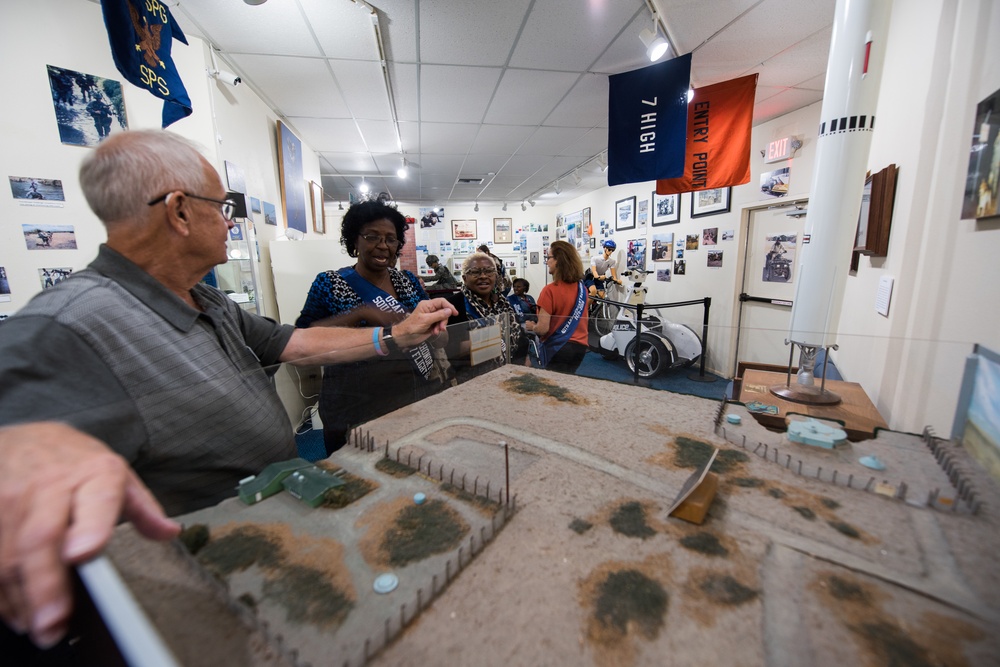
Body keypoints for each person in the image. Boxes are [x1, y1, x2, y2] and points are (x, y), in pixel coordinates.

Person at [0, 130, 456, 647]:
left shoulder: (206, 300)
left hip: (260, 532)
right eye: (221, 206)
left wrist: (397, 333)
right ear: (178, 211)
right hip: (192, 573)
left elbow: (296, 343)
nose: (229, 219)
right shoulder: (76, 317)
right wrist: (19, 444)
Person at [296, 201, 452, 455]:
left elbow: (436, 337)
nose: (383, 245)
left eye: (391, 239)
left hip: (411, 393)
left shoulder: (409, 281)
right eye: (372, 237)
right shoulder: (330, 283)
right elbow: (303, 337)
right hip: (352, 400)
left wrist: (437, 331)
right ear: (354, 240)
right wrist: (361, 315)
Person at [525, 241, 589, 373]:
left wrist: (532, 327)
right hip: (581, 347)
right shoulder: (582, 288)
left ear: (558, 260)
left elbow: (542, 329)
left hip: (558, 347)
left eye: (548, 257)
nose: (547, 261)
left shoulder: (549, 291)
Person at [457, 252, 523, 376]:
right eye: (475, 272)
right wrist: (494, 339)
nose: (483, 276)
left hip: (510, 371)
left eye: (489, 271)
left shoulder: (504, 304)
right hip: (473, 378)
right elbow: (453, 349)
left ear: (496, 276)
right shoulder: (455, 305)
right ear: (465, 278)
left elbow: (520, 337)